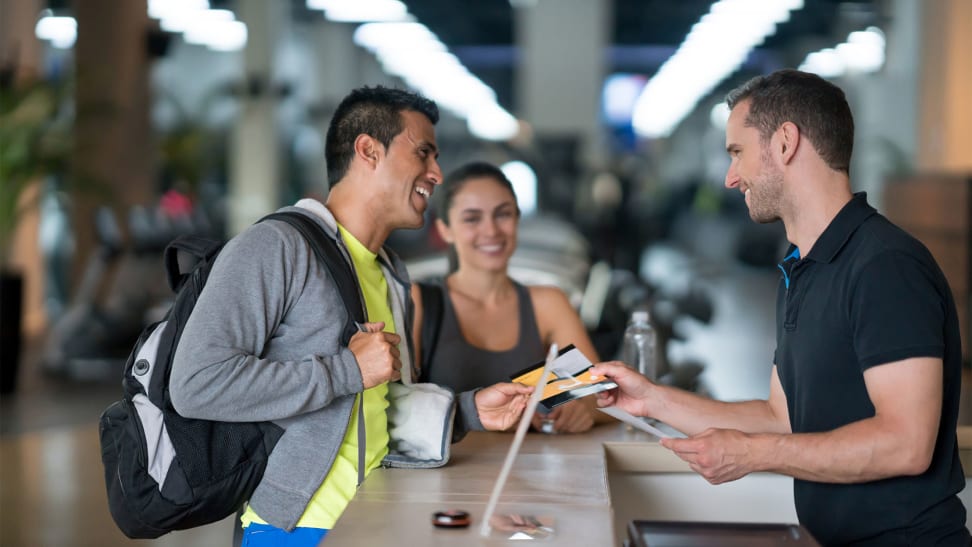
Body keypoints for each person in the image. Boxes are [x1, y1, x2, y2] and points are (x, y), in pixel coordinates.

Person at [591, 69, 970, 546]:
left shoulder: (884, 266)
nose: (730, 177)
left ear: (786, 142)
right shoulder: (802, 269)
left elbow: (906, 444)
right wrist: (650, 400)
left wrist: (751, 454)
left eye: (737, 153)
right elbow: (782, 418)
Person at [169, 86, 533, 546]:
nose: (436, 173)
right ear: (368, 150)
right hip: (292, 530)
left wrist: (468, 411)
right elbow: (196, 384)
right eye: (423, 153)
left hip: (379, 516)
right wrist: (348, 369)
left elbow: (371, 408)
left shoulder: (388, 273)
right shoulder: (276, 247)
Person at [410, 161, 602, 434]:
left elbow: (599, 397)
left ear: (517, 220)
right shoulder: (420, 302)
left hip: (532, 473)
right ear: (445, 230)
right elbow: (396, 406)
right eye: (472, 218)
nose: (491, 231)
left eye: (503, 215)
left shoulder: (547, 304)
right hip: (443, 474)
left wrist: (579, 410)